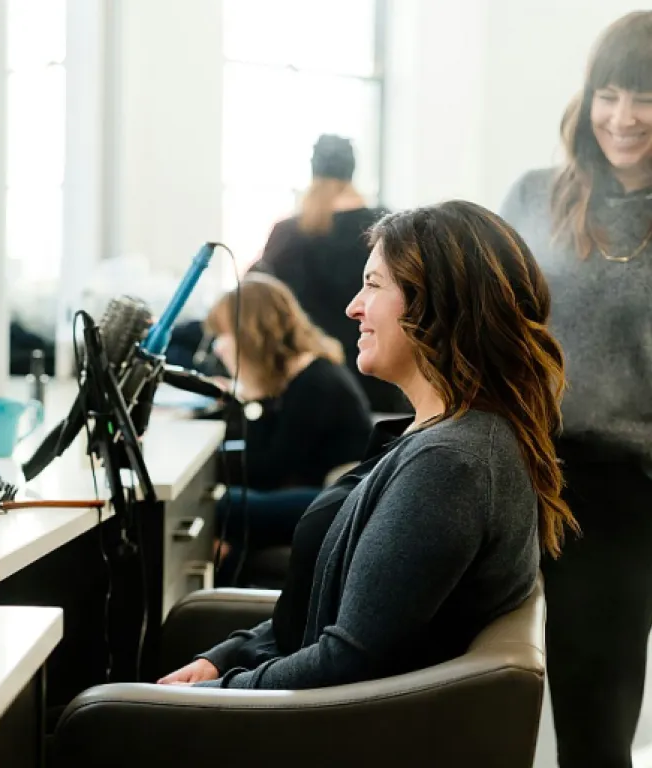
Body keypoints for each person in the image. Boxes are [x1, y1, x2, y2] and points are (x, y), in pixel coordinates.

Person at [157, 200, 576, 690]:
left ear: (434, 304)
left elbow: (345, 662)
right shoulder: (442, 439)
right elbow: (336, 616)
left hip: (311, 723)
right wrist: (229, 656)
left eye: (373, 285)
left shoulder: (449, 467)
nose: (353, 307)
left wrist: (213, 694)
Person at [500, 12, 652, 768]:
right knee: (582, 724)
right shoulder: (535, 197)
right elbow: (488, 325)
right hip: (549, 478)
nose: (623, 118)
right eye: (609, 95)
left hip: (635, 483)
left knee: (601, 722)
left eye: (646, 98)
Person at [204, 273, 372, 582]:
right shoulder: (299, 376)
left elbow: (268, 470)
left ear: (250, 335)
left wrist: (250, 399)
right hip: (322, 492)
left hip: (338, 501)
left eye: (224, 335)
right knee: (232, 532)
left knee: (223, 506)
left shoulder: (315, 383)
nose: (218, 347)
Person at [250, 133, 408, 414]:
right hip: (379, 381)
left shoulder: (287, 234)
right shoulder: (387, 228)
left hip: (308, 389)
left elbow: (255, 302)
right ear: (352, 171)